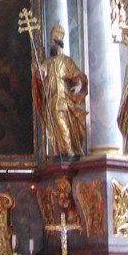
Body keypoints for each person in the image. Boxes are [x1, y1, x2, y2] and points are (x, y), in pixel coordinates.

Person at [35, 25, 88, 158]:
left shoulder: (66, 61)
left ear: (57, 41)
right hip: (50, 99)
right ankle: (56, 150)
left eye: (52, 41)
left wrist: (78, 88)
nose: (50, 44)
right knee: (52, 127)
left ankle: (69, 149)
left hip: (62, 98)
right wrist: (37, 69)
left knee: (61, 122)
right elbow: (41, 75)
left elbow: (78, 76)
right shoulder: (48, 62)